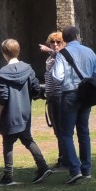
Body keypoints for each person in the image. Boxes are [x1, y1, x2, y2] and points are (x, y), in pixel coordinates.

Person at [0, 38, 52, 185]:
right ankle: (43, 166)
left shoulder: (2, 73)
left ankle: (8, 176)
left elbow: (3, 98)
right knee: (27, 139)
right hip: (25, 112)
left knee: (7, 143)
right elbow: (36, 89)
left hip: (9, 114)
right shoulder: (28, 69)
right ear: (18, 51)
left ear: (4, 54)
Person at [52, 25, 96, 184]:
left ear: (64, 39)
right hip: (85, 94)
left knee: (65, 133)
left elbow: (57, 76)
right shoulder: (89, 51)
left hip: (69, 94)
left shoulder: (62, 54)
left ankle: (74, 169)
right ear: (78, 36)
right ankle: (86, 169)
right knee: (83, 132)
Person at [38, 31, 68, 171]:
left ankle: (65, 160)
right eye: (52, 42)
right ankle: (64, 158)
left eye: (58, 42)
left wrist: (50, 51)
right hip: (51, 97)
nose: (55, 45)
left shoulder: (63, 56)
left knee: (62, 130)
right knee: (57, 130)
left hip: (59, 96)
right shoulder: (50, 59)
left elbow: (61, 57)